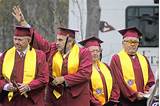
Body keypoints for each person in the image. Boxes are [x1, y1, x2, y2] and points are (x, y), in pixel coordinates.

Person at [12, 6, 93, 106]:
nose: (57, 42)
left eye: (60, 40)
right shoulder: (53, 49)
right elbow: (38, 40)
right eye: (57, 39)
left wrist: (64, 79)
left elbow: (85, 74)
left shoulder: (83, 53)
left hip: (77, 98)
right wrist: (23, 22)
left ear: (70, 41)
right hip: (55, 97)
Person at [0, 26, 49, 106]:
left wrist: (29, 86)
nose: (16, 42)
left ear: (29, 40)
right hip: (10, 100)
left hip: (32, 100)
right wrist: (6, 86)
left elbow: (44, 78)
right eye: (15, 39)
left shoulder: (39, 56)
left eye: (20, 40)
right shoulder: (5, 55)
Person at [110, 27, 155, 106]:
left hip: (143, 100)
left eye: (135, 42)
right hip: (125, 101)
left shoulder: (143, 59)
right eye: (129, 42)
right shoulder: (117, 58)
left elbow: (150, 79)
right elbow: (118, 82)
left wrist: (147, 91)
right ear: (123, 43)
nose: (132, 44)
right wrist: (134, 94)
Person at [79, 36, 120, 106]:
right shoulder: (83, 69)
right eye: (92, 51)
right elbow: (85, 91)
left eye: (97, 51)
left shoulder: (106, 67)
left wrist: (112, 101)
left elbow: (115, 86)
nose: (95, 53)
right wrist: (97, 104)